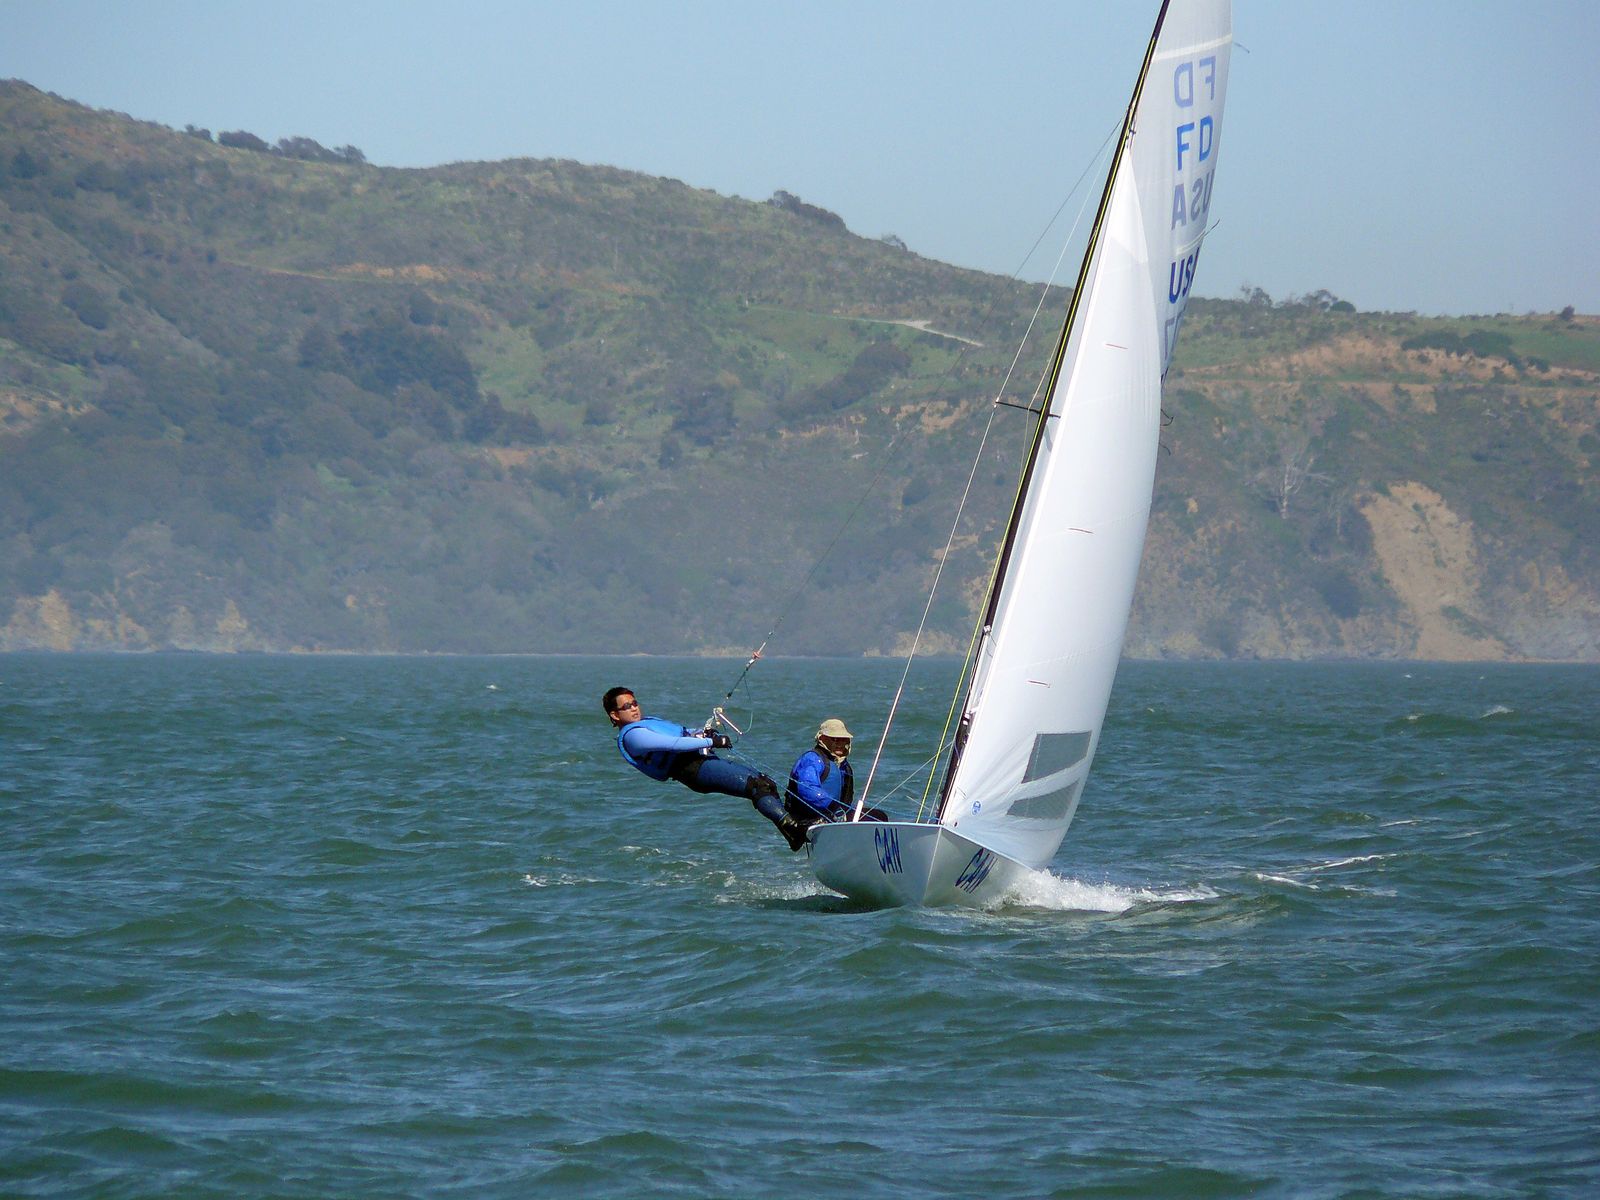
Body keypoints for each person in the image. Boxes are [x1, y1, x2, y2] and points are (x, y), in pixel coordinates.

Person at [602, 686, 810, 851]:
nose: (634, 708)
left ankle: (795, 829)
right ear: (615, 715)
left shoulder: (646, 723)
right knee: (757, 786)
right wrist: (712, 742)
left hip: (701, 762)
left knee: (765, 783)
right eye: (627, 706)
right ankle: (794, 828)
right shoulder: (633, 736)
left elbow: (684, 733)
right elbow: (673, 744)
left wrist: (703, 733)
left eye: (635, 703)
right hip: (693, 770)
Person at [786, 718, 887, 829]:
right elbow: (807, 788)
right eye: (835, 739)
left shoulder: (842, 765)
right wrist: (833, 807)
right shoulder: (812, 760)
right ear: (822, 739)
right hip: (809, 819)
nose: (841, 743)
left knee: (878, 816)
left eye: (844, 740)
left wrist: (839, 812)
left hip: (834, 817)